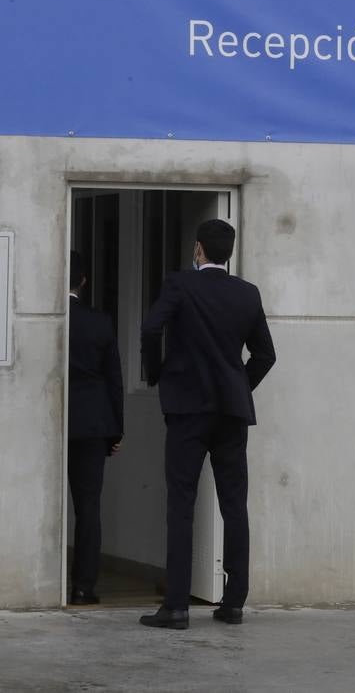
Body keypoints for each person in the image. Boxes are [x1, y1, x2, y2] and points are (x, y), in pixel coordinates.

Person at [138, 219, 275, 630]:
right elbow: (266, 355)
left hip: (187, 409)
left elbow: (150, 328)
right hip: (231, 412)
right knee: (234, 504)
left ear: (198, 250)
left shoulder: (180, 285)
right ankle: (233, 603)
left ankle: (177, 606)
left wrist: (156, 372)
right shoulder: (247, 293)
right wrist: (238, 387)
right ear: (228, 253)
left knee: (181, 504)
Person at [67, 251, 124, 606]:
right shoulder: (100, 322)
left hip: (49, 421)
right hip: (91, 424)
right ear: (83, 281)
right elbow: (114, 379)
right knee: (88, 507)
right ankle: (83, 585)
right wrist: (115, 430)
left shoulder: (48, 320)